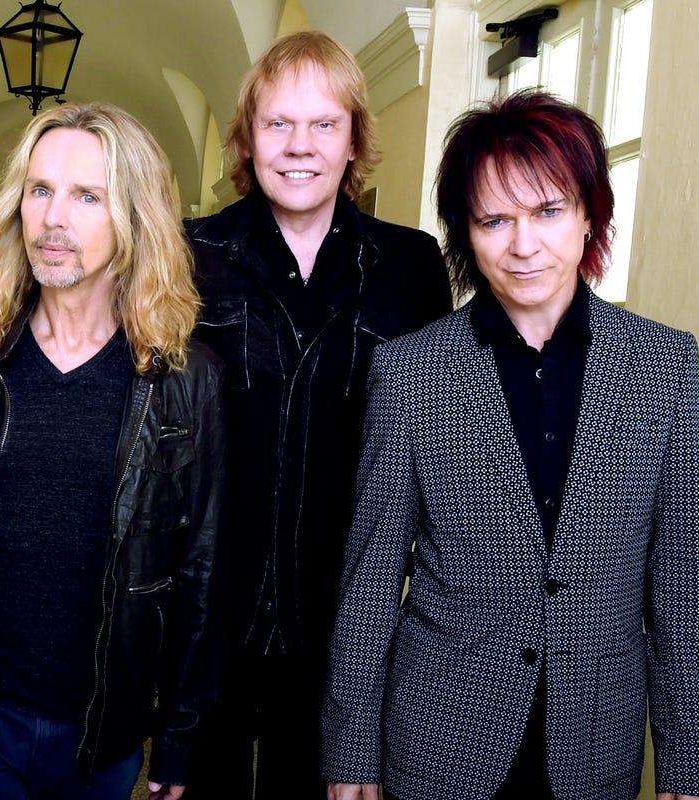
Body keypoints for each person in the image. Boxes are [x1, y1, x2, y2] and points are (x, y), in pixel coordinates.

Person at [321, 90, 699, 800]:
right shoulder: (411, 371)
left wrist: (695, 764)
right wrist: (350, 750)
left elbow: (685, 587)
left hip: (595, 744)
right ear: (465, 233)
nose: (524, 244)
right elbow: (371, 579)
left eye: (548, 211)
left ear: (589, 214)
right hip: (439, 735)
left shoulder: (663, 365)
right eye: (494, 220)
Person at [0, 102, 227, 800]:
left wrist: (181, 737)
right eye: (40, 190)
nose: (52, 218)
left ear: (135, 219)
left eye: (87, 196)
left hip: (102, 730)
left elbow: (202, 573)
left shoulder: (186, 382)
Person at [182, 31, 452, 797]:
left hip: (345, 624)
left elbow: (436, 451)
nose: (299, 146)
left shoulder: (411, 268)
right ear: (248, 137)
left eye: (324, 124)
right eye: (278, 123)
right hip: (207, 616)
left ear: (354, 140)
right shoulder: (188, 255)